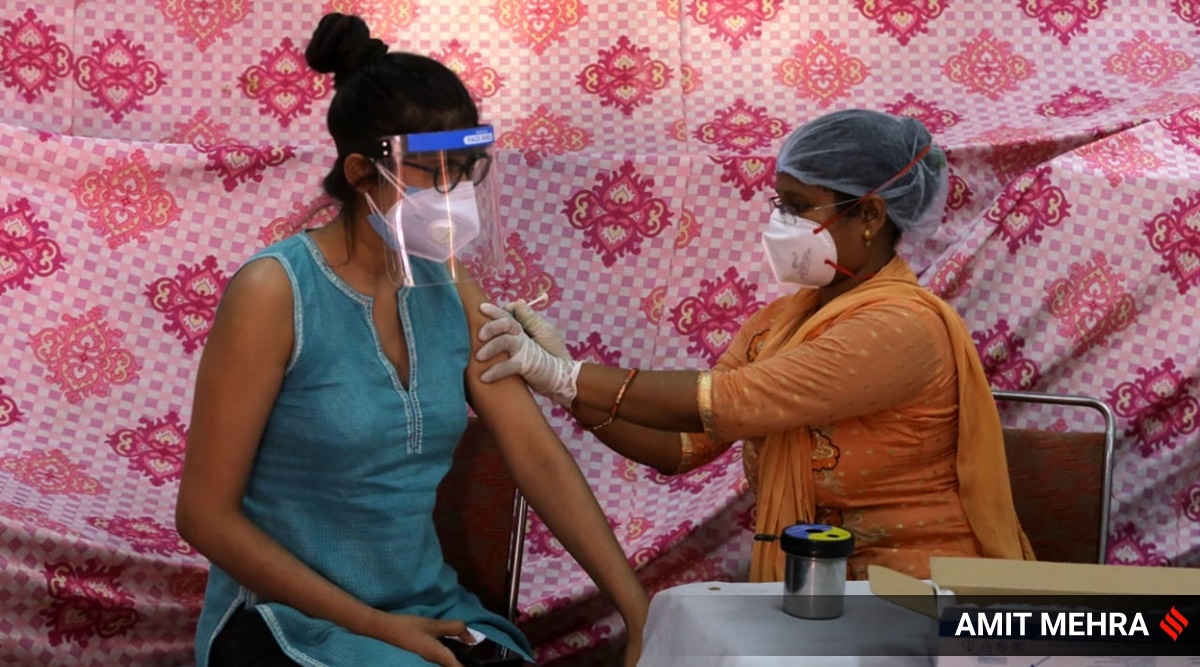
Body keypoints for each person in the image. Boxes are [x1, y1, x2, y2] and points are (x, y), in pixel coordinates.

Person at [175, 13, 647, 667]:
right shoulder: (274, 292)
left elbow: (536, 457)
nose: (455, 194)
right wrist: (377, 626)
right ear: (361, 171)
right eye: (434, 172)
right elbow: (204, 515)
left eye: (467, 170)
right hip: (285, 619)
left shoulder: (452, 286)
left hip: (428, 608)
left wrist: (639, 613)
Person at [474, 109, 1035, 583]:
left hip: (918, 589)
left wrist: (563, 373)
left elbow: (730, 400)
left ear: (869, 215)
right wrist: (564, 384)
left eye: (798, 206)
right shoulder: (780, 323)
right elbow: (682, 446)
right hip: (821, 585)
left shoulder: (900, 326)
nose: (778, 223)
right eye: (778, 203)